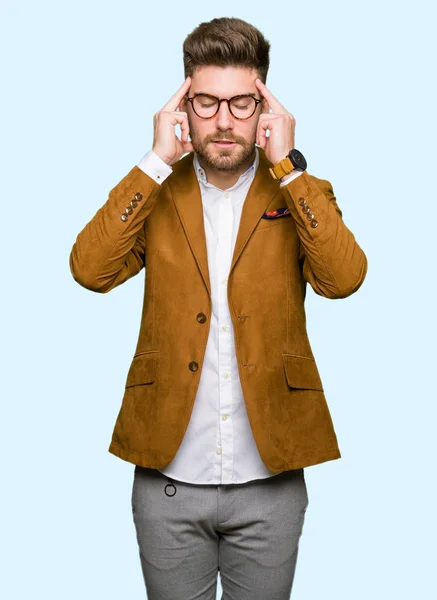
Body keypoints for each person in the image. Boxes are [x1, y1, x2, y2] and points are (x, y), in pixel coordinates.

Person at [69, 16, 368, 600]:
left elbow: (344, 279)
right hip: (168, 480)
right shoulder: (157, 191)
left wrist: (289, 168)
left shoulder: (300, 189)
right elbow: (90, 269)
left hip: (271, 481)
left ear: (266, 110)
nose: (225, 120)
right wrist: (155, 160)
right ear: (183, 105)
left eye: (241, 103)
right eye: (207, 103)